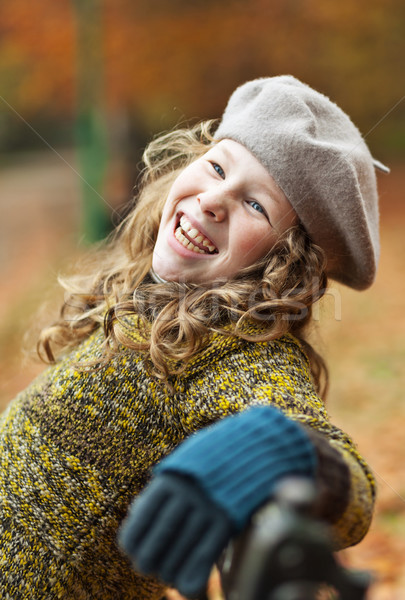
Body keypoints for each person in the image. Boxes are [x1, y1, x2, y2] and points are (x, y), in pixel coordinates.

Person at [0, 75, 388, 600]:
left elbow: (357, 497)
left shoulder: (235, 353)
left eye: (256, 205)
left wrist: (287, 447)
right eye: (218, 167)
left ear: (285, 261)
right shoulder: (155, 294)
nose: (214, 198)